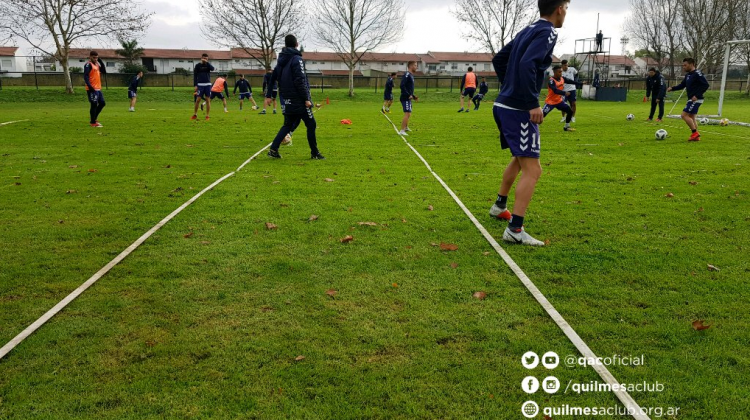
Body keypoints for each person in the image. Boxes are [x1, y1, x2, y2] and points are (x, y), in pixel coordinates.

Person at [488, 0, 569, 246]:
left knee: (519, 158)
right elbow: (526, 64)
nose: (566, 12)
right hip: (518, 108)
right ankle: (515, 229)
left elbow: (500, 59)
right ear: (559, 9)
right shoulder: (546, 32)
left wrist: (510, 85)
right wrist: (531, 101)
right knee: (533, 170)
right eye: (566, 7)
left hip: (503, 104)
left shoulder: (527, 29)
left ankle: (499, 206)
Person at [266, 34, 324, 160]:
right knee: (311, 124)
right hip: (298, 99)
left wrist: (268, 95)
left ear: (286, 45)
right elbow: (299, 80)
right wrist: (306, 99)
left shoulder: (280, 61)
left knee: (287, 124)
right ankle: (314, 153)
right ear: (296, 44)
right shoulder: (297, 59)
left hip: (286, 98)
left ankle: (273, 149)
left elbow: (272, 78)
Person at [667, 57, 709, 142]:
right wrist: (672, 88)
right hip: (692, 99)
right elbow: (682, 85)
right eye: (683, 65)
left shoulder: (697, 73)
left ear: (691, 64)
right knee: (691, 117)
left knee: (684, 115)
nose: (684, 67)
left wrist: (697, 95)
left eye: (685, 65)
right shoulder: (688, 75)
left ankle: (695, 133)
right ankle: (696, 136)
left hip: (695, 99)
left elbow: (705, 85)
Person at [542, 65, 575, 131]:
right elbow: (555, 90)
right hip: (550, 102)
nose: (561, 73)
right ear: (555, 72)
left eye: (561, 72)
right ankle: (531, 127)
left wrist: (580, 83)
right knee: (541, 115)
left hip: (559, 101)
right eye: (559, 72)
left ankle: (566, 127)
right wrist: (564, 93)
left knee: (570, 111)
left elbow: (570, 81)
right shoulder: (551, 81)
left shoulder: (562, 78)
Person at [83, 51, 107, 127]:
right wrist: (90, 86)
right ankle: (93, 122)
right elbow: (86, 76)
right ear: (90, 57)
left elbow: (104, 71)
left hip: (98, 88)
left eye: (97, 57)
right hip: (92, 88)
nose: (95, 59)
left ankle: (94, 118)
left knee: (102, 103)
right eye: (94, 57)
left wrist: (100, 61)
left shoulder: (96, 65)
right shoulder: (88, 65)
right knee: (94, 104)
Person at [192, 53, 214, 120]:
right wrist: (195, 85)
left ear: (207, 59)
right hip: (200, 85)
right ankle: (195, 114)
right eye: (203, 58)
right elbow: (195, 76)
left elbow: (212, 69)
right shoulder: (198, 66)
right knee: (198, 100)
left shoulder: (208, 65)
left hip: (207, 85)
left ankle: (207, 116)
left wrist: (207, 63)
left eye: (206, 59)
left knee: (208, 100)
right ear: (201, 58)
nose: (204, 60)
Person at [399, 61, 419, 136]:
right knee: (407, 113)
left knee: (409, 113)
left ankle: (406, 127)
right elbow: (402, 85)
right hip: (405, 98)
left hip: (408, 97)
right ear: (410, 66)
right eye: (415, 65)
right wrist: (408, 95)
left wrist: (413, 96)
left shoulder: (411, 75)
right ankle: (402, 130)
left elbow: (408, 88)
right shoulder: (407, 75)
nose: (416, 67)